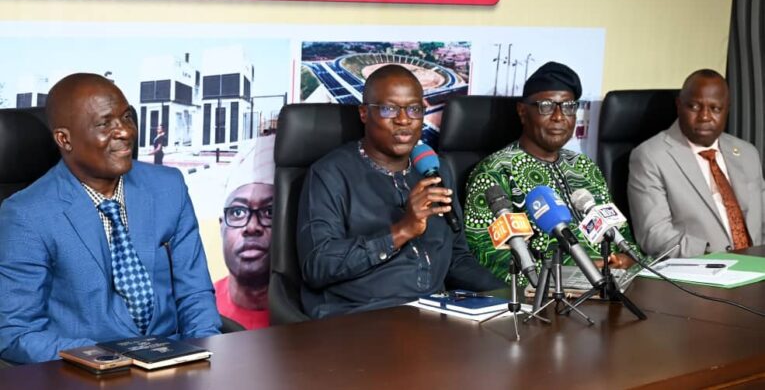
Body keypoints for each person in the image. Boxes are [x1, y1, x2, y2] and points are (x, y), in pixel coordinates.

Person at [0, 73, 221, 364]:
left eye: (127, 117)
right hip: (86, 372)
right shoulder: (27, 214)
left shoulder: (169, 187)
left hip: (175, 364)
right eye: (105, 124)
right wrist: (113, 360)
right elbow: (17, 334)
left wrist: (203, 358)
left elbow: (195, 294)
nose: (126, 132)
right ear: (65, 139)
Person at [297, 65, 504, 318]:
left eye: (414, 109)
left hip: (433, 314)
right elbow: (318, 266)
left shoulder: (435, 169)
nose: (404, 120)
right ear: (364, 113)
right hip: (358, 317)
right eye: (389, 109)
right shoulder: (330, 174)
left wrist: (510, 297)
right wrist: (402, 230)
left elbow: (456, 258)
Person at [463, 62, 642, 284]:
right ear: (522, 111)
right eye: (546, 106)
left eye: (568, 106)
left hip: (614, 285)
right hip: (545, 294)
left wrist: (626, 260)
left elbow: (622, 236)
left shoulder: (585, 167)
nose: (559, 116)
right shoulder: (494, 172)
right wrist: (574, 272)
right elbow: (488, 256)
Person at [628, 69, 765, 258]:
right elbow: (654, 235)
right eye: (694, 107)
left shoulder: (747, 153)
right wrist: (715, 258)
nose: (705, 117)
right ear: (679, 106)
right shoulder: (650, 156)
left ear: (727, 109)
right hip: (701, 269)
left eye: (715, 109)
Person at [215, 135, 275, 329]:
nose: (251, 227)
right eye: (238, 213)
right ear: (221, 227)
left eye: (269, 212)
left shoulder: (316, 314)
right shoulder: (197, 312)